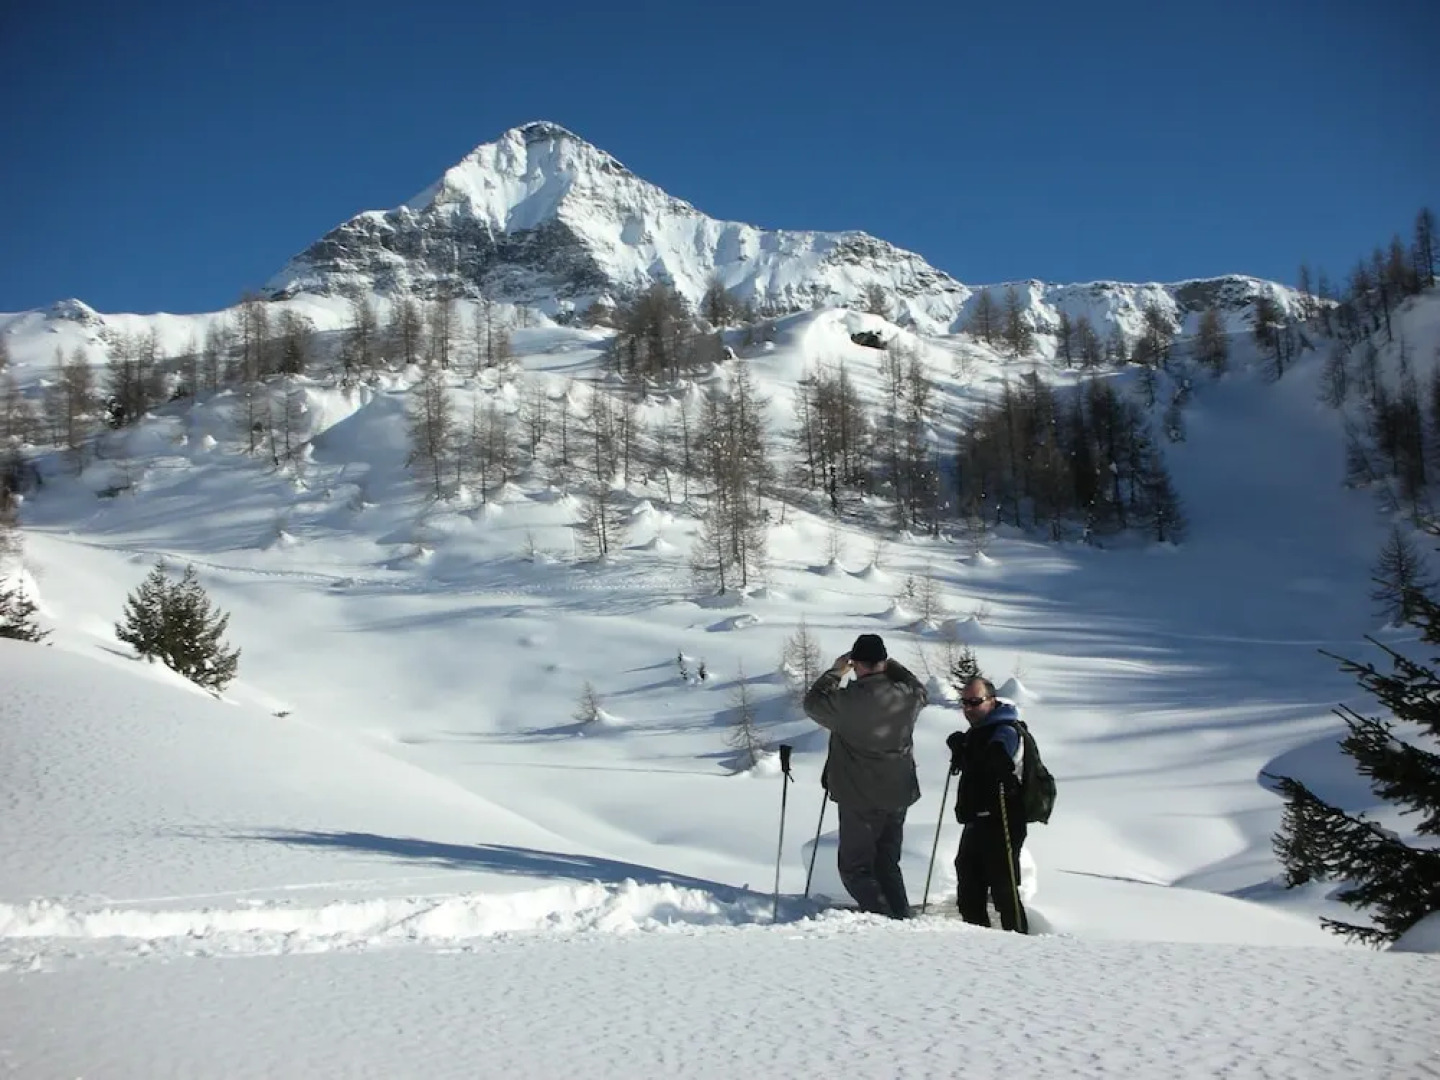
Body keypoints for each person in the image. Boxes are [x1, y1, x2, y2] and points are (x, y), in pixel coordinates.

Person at [803, 633, 928, 918]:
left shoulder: (848, 702)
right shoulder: (906, 696)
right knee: (887, 863)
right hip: (898, 793)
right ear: (883, 661)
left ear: (856, 664)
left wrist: (835, 672)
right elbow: (921, 690)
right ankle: (902, 918)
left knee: (855, 868)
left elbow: (812, 703)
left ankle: (884, 919)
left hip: (859, 796)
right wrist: (893, 666)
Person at [946, 677, 1028, 933]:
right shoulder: (978, 732)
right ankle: (979, 944)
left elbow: (1000, 756)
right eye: (964, 702)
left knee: (1004, 887)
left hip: (1003, 818)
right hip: (976, 820)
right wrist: (962, 750)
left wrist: (997, 756)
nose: (968, 708)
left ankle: (1021, 943)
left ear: (991, 701)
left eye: (975, 702)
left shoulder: (1006, 729)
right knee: (969, 887)